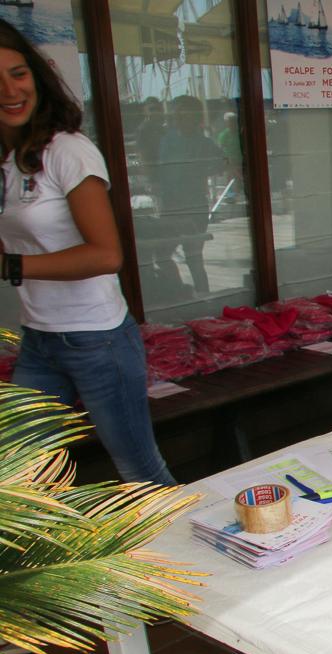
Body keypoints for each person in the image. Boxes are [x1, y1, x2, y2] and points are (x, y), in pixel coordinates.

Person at [0, 19, 176, 486]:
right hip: (39, 338)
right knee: (17, 472)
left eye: (18, 74)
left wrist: (11, 265)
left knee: (139, 472)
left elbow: (105, 255)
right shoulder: (6, 161)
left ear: (36, 77)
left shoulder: (68, 150)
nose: (9, 89)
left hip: (96, 340)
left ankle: (195, 558)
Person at [155, 94, 224, 296]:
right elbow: (162, 170)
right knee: (162, 255)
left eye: (182, 113)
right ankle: (179, 292)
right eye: (176, 113)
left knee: (194, 257)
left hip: (194, 206)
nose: (177, 117)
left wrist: (201, 170)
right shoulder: (168, 140)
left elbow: (222, 161)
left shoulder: (203, 143)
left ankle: (204, 298)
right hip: (171, 206)